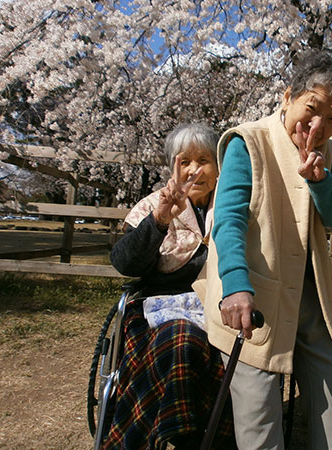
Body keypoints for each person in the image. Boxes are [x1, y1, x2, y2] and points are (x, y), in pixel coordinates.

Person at [203, 50, 332, 449]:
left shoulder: (326, 155)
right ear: (288, 95)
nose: (319, 125)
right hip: (254, 293)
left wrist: (321, 181)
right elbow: (228, 220)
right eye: (313, 109)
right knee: (259, 417)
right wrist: (236, 286)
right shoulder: (249, 142)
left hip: (312, 298)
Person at [103, 123, 235, 450]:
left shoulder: (234, 206)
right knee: (182, 340)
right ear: (171, 166)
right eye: (184, 161)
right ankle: (186, 433)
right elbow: (124, 263)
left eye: (204, 160)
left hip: (221, 311)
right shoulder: (153, 204)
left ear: (219, 167)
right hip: (158, 315)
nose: (194, 170)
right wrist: (159, 221)